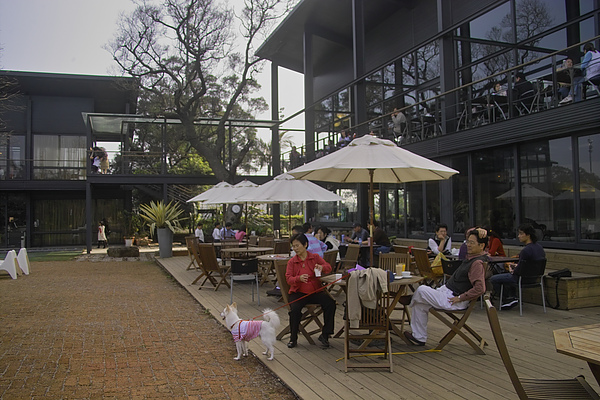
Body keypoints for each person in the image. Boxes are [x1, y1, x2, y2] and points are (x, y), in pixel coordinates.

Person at [404, 228, 488, 346]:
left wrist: (460, 297)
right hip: (446, 292)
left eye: (472, 243)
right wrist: (476, 229)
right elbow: (468, 233)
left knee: (422, 290)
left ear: (482, 245)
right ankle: (419, 337)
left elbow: (480, 288)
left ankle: (410, 299)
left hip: (453, 299)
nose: (468, 245)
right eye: (467, 242)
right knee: (421, 302)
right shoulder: (472, 258)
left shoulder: (476, 263)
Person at [285, 233, 335, 348]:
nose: (295, 249)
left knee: (330, 303)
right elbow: (288, 279)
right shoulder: (292, 262)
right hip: (298, 292)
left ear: (305, 244)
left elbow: (329, 267)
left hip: (314, 291)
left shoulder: (315, 257)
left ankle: (325, 334)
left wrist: (322, 267)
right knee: (295, 309)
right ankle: (293, 338)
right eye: (293, 246)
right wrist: (299, 278)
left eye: (297, 246)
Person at [490, 223, 546, 310]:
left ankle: (507, 299)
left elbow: (518, 271)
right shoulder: (539, 248)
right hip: (535, 278)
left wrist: (512, 269)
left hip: (521, 278)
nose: (518, 236)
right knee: (507, 274)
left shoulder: (526, 250)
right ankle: (512, 296)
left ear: (528, 235)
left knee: (494, 278)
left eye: (521, 233)